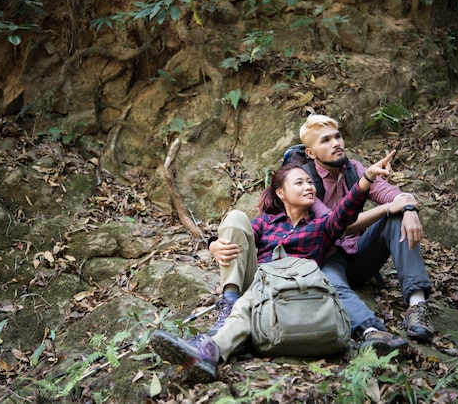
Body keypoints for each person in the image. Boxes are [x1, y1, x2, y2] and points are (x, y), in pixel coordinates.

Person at [150, 152, 395, 383]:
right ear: (281, 193)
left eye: (310, 182)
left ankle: (208, 352)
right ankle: (229, 299)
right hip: (259, 281)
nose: (309, 187)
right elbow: (239, 240)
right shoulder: (267, 222)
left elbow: (345, 211)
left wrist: (367, 178)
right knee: (235, 217)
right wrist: (213, 244)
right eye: (299, 183)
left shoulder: (322, 226)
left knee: (247, 306)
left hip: (294, 288)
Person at [210, 114, 435, 350]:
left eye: (337, 136)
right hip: (326, 255)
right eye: (325, 140)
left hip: (357, 253)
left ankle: (417, 305)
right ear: (311, 152)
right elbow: (338, 223)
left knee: (397, 216)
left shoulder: (354, 168)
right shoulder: (310, 181)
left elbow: (393, 194)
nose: (336, 143)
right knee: (332, 281)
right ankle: (372, 331)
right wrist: (213, 243)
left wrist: (407, 207)